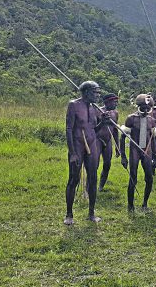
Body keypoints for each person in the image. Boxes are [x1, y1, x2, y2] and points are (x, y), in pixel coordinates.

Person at [64, 81, 102, 225]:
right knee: (73, 179)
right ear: (86, 92)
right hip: (78, 145)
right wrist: (72, 152)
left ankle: (91, 213)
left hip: (92, 146)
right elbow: (68, 129)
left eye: (98, 93)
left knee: (93, 178)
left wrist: (103, 123)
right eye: (95, 92)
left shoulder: (94, 108)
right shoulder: (73, 105)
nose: (97, 95)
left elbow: (93, 129)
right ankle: (69, 214)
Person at [120, 94, 156, 212]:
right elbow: (122, 137)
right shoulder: (131, 118)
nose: (146, 111)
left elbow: (153, 139)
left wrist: (155, 157)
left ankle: (145, 204)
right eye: (143, 108)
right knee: (133, 178)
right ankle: (130, 206)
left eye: (148, 108)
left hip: (147, 151)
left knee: (149, 178)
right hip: (134, 150)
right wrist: (123, 156)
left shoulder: (151, 120)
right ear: (138, 106)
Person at [96, 93, 120, 192]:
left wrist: (117, 146)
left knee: (107, 164)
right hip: (97, 140)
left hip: (108, 141)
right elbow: (92, 129)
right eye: (114, 102)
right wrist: (102, 121)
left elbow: (115, 130)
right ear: (107, 102)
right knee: (94, 165)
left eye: (116, 102)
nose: (116, 104)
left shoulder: (115, 113)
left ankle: (100, 187)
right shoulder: (97, 111)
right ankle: (89, 187)